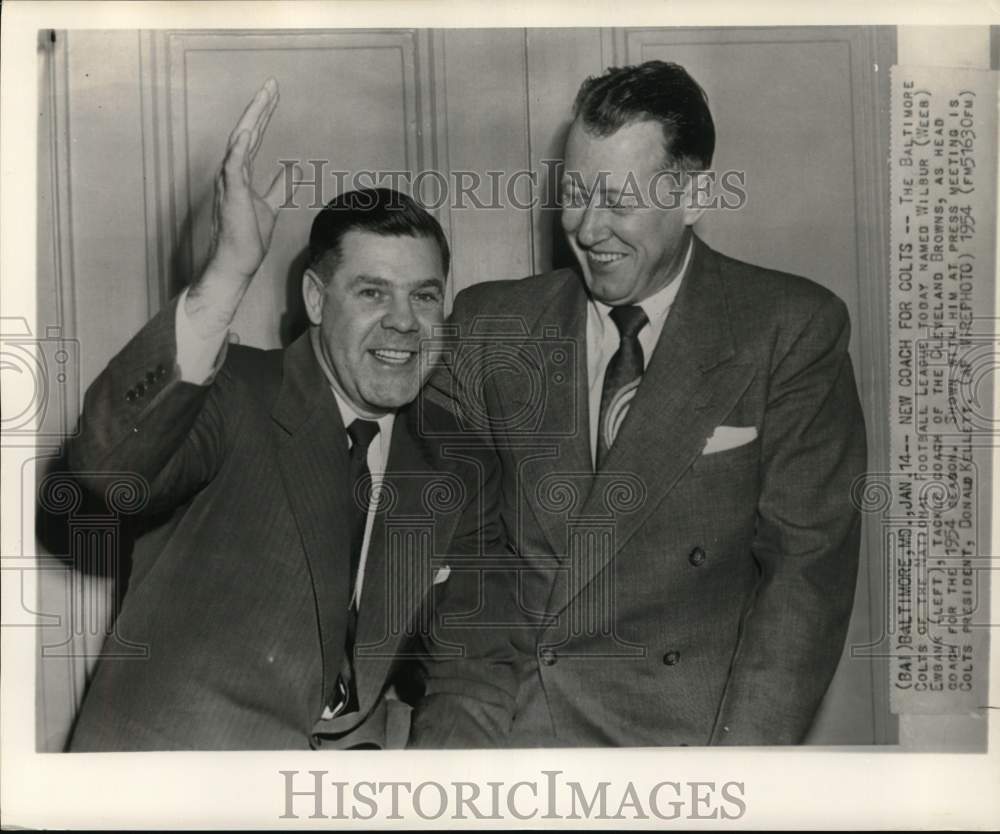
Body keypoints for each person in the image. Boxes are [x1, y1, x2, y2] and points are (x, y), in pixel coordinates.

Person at [410, 60, 867, 747]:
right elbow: (452, 561)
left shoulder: (789, 330)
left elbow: (803, 589)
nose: (588, 228)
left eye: (619, 200)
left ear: (691, 197)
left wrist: (736, 786)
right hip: (509, 730)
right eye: (573, 194)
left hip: (685, 751)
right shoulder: (488, 327)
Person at [64, 80, 494, 750]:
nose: (405, 322)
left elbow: (468, 663)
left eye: (426, 296)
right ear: (317, 300)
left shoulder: (455, 461)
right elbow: (101, 474)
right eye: (373, 292)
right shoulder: (232, 392)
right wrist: (229, 272)